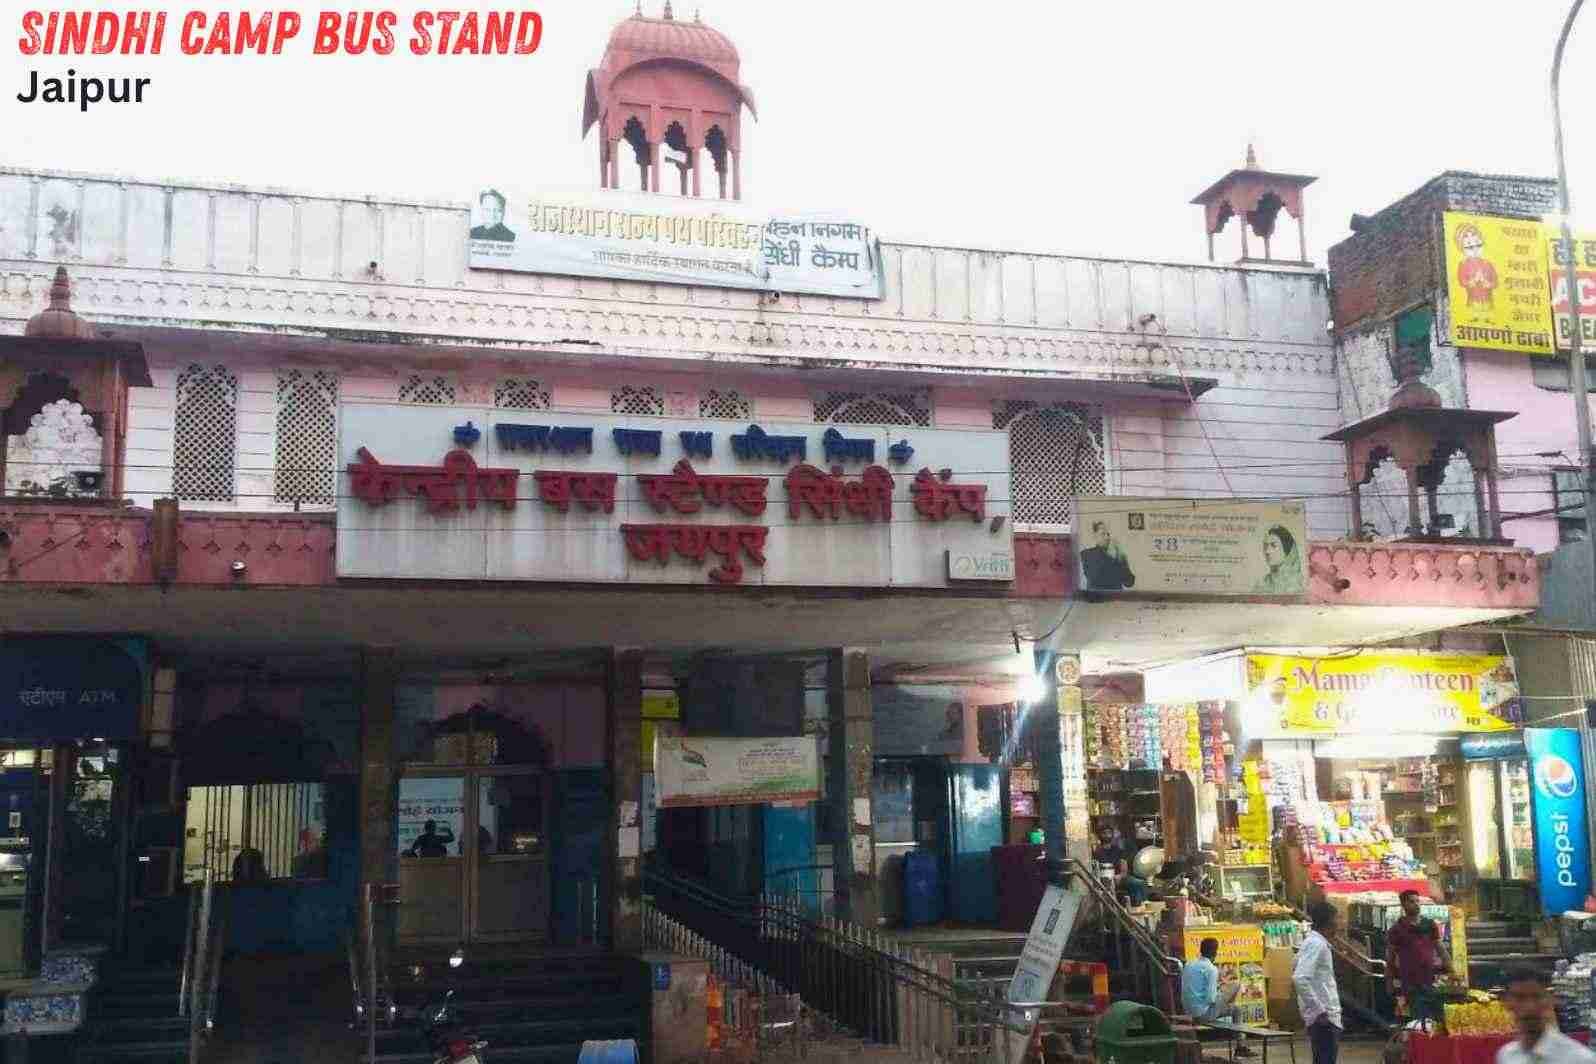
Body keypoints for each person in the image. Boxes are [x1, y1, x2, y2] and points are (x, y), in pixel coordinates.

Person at [1497, 968, 1596, 1064]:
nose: (1530, 1007)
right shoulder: (1507, 1056)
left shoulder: (1580, 1059)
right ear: (1506, 1003)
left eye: (1537, 997)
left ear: (1550, 1000)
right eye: (1520, 998)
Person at [1386, 890, 1449, 1027]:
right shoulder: (1397, 929)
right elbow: (1390, 958)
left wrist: (1450, 969)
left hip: (1431, 980)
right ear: (1403, 904)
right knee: (1419, 1020)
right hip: (1411, 983)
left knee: (1439, 1018)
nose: (1416, 904)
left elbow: (1441, 949)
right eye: (1412, 901)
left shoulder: (1429, 925)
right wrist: (1389, 982)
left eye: (1417, 901)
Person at [1294, 902, 1341, 1064]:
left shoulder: (1315, 942)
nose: (1339, 923)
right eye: (1337, 918)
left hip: (1325, 1016)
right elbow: (1300, 978)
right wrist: (1319, 1010)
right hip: (1324, 1018)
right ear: (1329, 921)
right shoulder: (1316, 944)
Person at [1182, 937, 1245, 1027]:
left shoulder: (1189, 964)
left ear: (1201, 950)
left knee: (1237, 1009)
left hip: (1188, 1012)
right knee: (1236, 984)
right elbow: (1211, 999)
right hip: (1203, 1014)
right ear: (1215, 953)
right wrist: (1220, 991)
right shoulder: (1211, 969)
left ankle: (1238, 1035)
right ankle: (1238, 1036)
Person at [1080, 521, 1135, 591]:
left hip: (1116, 596)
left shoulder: (1118, 555)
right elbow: (1095, 578)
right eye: (1103, 534)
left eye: (1108, 534)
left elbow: (1129, 583)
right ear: (1095, 536)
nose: (1107, 537)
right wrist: (1111, 557)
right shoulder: (1086, 554)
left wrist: (1120, 557)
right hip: (1097, 597)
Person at [1256, 525, 1304, 594]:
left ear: (1286, 550)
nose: (1267, 551)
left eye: (1274, 545)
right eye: (1265, 546)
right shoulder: (1263, 584)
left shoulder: (1297, 583)